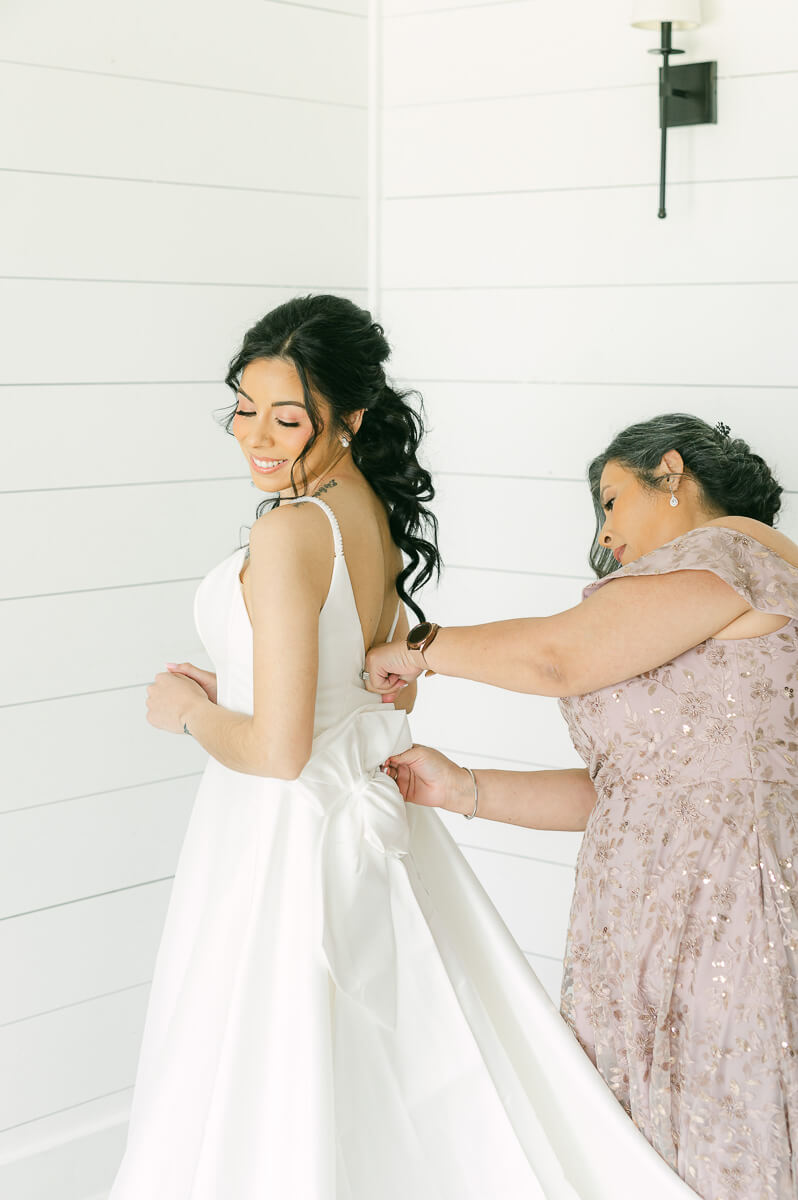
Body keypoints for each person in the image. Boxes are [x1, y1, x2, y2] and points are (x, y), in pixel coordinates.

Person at [108, 298, 697, 1200]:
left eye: (287, 417)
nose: (255, 437)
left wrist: (184, 708)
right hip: (356, 821)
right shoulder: (364, 517)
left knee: (273, 1077)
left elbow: (277, 750)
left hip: (281, 834)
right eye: (244, 405)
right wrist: (243, 685)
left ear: (349, 417)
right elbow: (379, 681)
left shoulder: (288, 529)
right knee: (392, 1076)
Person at [368, 413, 798, 1200]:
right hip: (650, 916)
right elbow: (628, 793)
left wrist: (420, 647)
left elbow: (555, 657)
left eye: (611, 499)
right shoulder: (698, 596)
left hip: (726, 913)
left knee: (723, 1139)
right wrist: (464, 787)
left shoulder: (736, 552)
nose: (605, 534)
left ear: (670, 473)